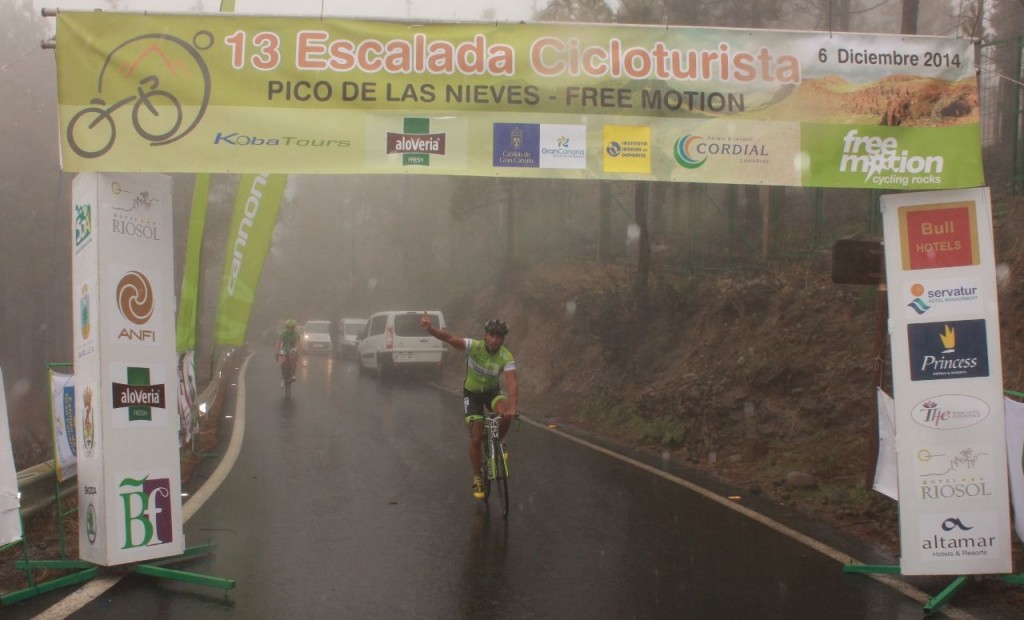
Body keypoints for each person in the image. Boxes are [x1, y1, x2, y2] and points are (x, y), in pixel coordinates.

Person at [421, 312, 518, 499]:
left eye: (499, 337)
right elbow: (449, 338)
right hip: (472, 395)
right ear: (485, 335)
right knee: (475, 439)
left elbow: (512, 382)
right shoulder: (474, 347)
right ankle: (477, 477)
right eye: (492, 335)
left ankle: (497, 443)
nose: (495, 340)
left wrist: (513, 407)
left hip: (492, 394)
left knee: (506, 413)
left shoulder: (506, 356)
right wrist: (430, 329)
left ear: (503, 339)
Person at [275, 319, 300, 383]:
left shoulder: (296, 334)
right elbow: (278, 343)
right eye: (288, 327)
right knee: (282, 362)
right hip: (284, 348)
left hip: (292, 348)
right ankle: (283, 377)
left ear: (294, 328)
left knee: (292, 360)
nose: (290, 329)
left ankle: (293, 374)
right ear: (286, 327)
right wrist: (277, 352)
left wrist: (296, 351)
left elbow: (298, 344)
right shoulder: (282, 333)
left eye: (292, 328)